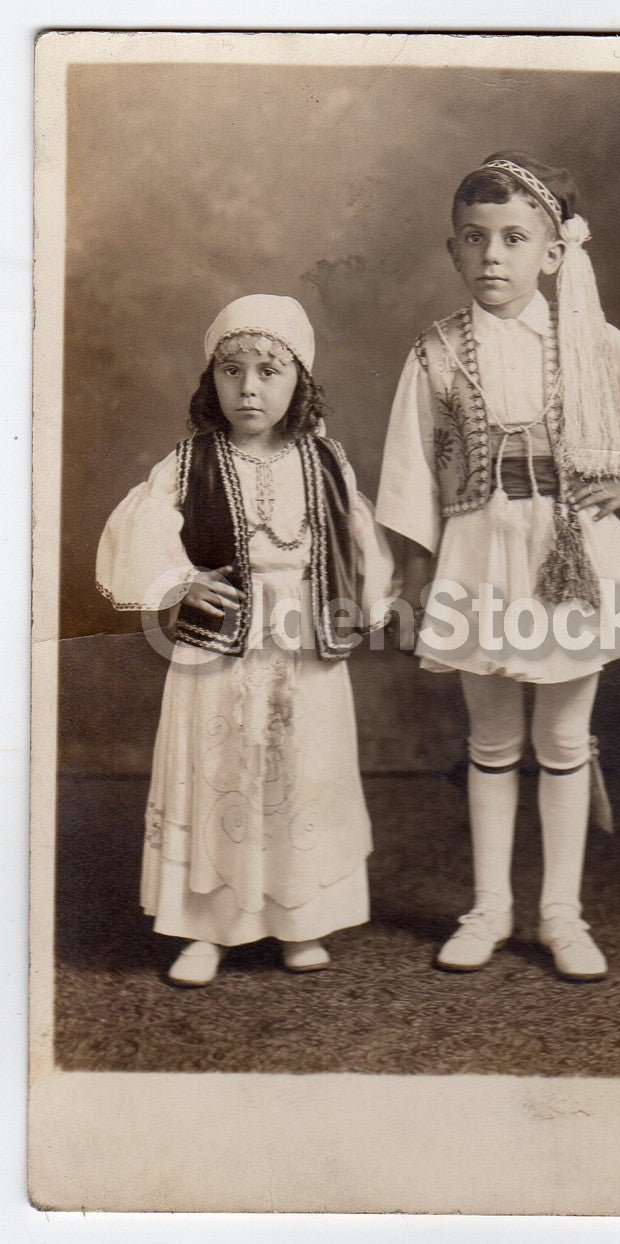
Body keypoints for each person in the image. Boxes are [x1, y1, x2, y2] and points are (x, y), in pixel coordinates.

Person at [376, 152, 620, 980]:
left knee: (563, 737)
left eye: (515, 239)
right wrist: (412, 578)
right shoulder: (435, 355)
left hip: (566, 555)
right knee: (490, 738)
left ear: (555, 253)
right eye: (475, 239)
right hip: (480, 553)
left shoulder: (590, 342)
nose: (494, 256)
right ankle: (489, 908)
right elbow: (410, 474)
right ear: (453, 251)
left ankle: (562, 912)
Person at [97, 294, 394, 986]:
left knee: (302, 773)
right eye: (233, 371)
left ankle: (301, 920)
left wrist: (361, 601)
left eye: (268, 371)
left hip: (302, 643)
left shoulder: (324, 460)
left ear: (300, 384)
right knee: (219, 775)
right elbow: (140, 526)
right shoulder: (192, 460)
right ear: (212, 382)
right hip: (219, 648)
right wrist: (179, 580)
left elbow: (359, 537)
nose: (250, 387)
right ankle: (207, 928)